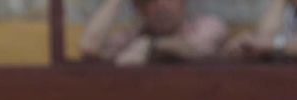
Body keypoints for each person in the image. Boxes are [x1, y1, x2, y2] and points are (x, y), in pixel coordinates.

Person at [79, 0, 228, 64]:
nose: (161, 4)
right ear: (139, 8)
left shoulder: (208, 26)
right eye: (151, 0)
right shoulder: (132, 37)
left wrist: (151, 46)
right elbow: (89, 47)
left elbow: (193, 49)